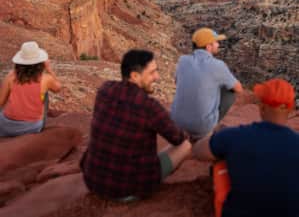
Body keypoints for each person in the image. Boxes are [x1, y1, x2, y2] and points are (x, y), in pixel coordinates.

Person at [80, 49, 192, 200]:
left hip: (93, 182)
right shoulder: (148, 106)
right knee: (186, 145)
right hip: (128, 189)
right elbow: (177, 138)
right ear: (134, 76)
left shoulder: (104, 90)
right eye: (152, 72)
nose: (157, 77)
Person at [193, 78, 299, 217]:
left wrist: (218, 137)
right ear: (290, 109)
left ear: (261, 107)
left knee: (221, 163)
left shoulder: (234, 135)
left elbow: (198, 151)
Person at [171, 27, 243, 139]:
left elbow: (177, 82)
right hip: (201, 127)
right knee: (229, 92)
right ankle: (206, 133)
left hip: (176, 122)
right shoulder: (218, 65)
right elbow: (238, 89)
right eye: (216, 42)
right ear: (208, 46)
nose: (218, 45)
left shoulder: (183, 60)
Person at [0, 41, 61, 137]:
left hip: (6, 126)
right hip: (32, 127)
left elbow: (0, 102)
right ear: (40, 62)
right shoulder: (46, 79)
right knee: (44, 93)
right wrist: (49, 69)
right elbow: (58, 88)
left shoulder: (10, 76)